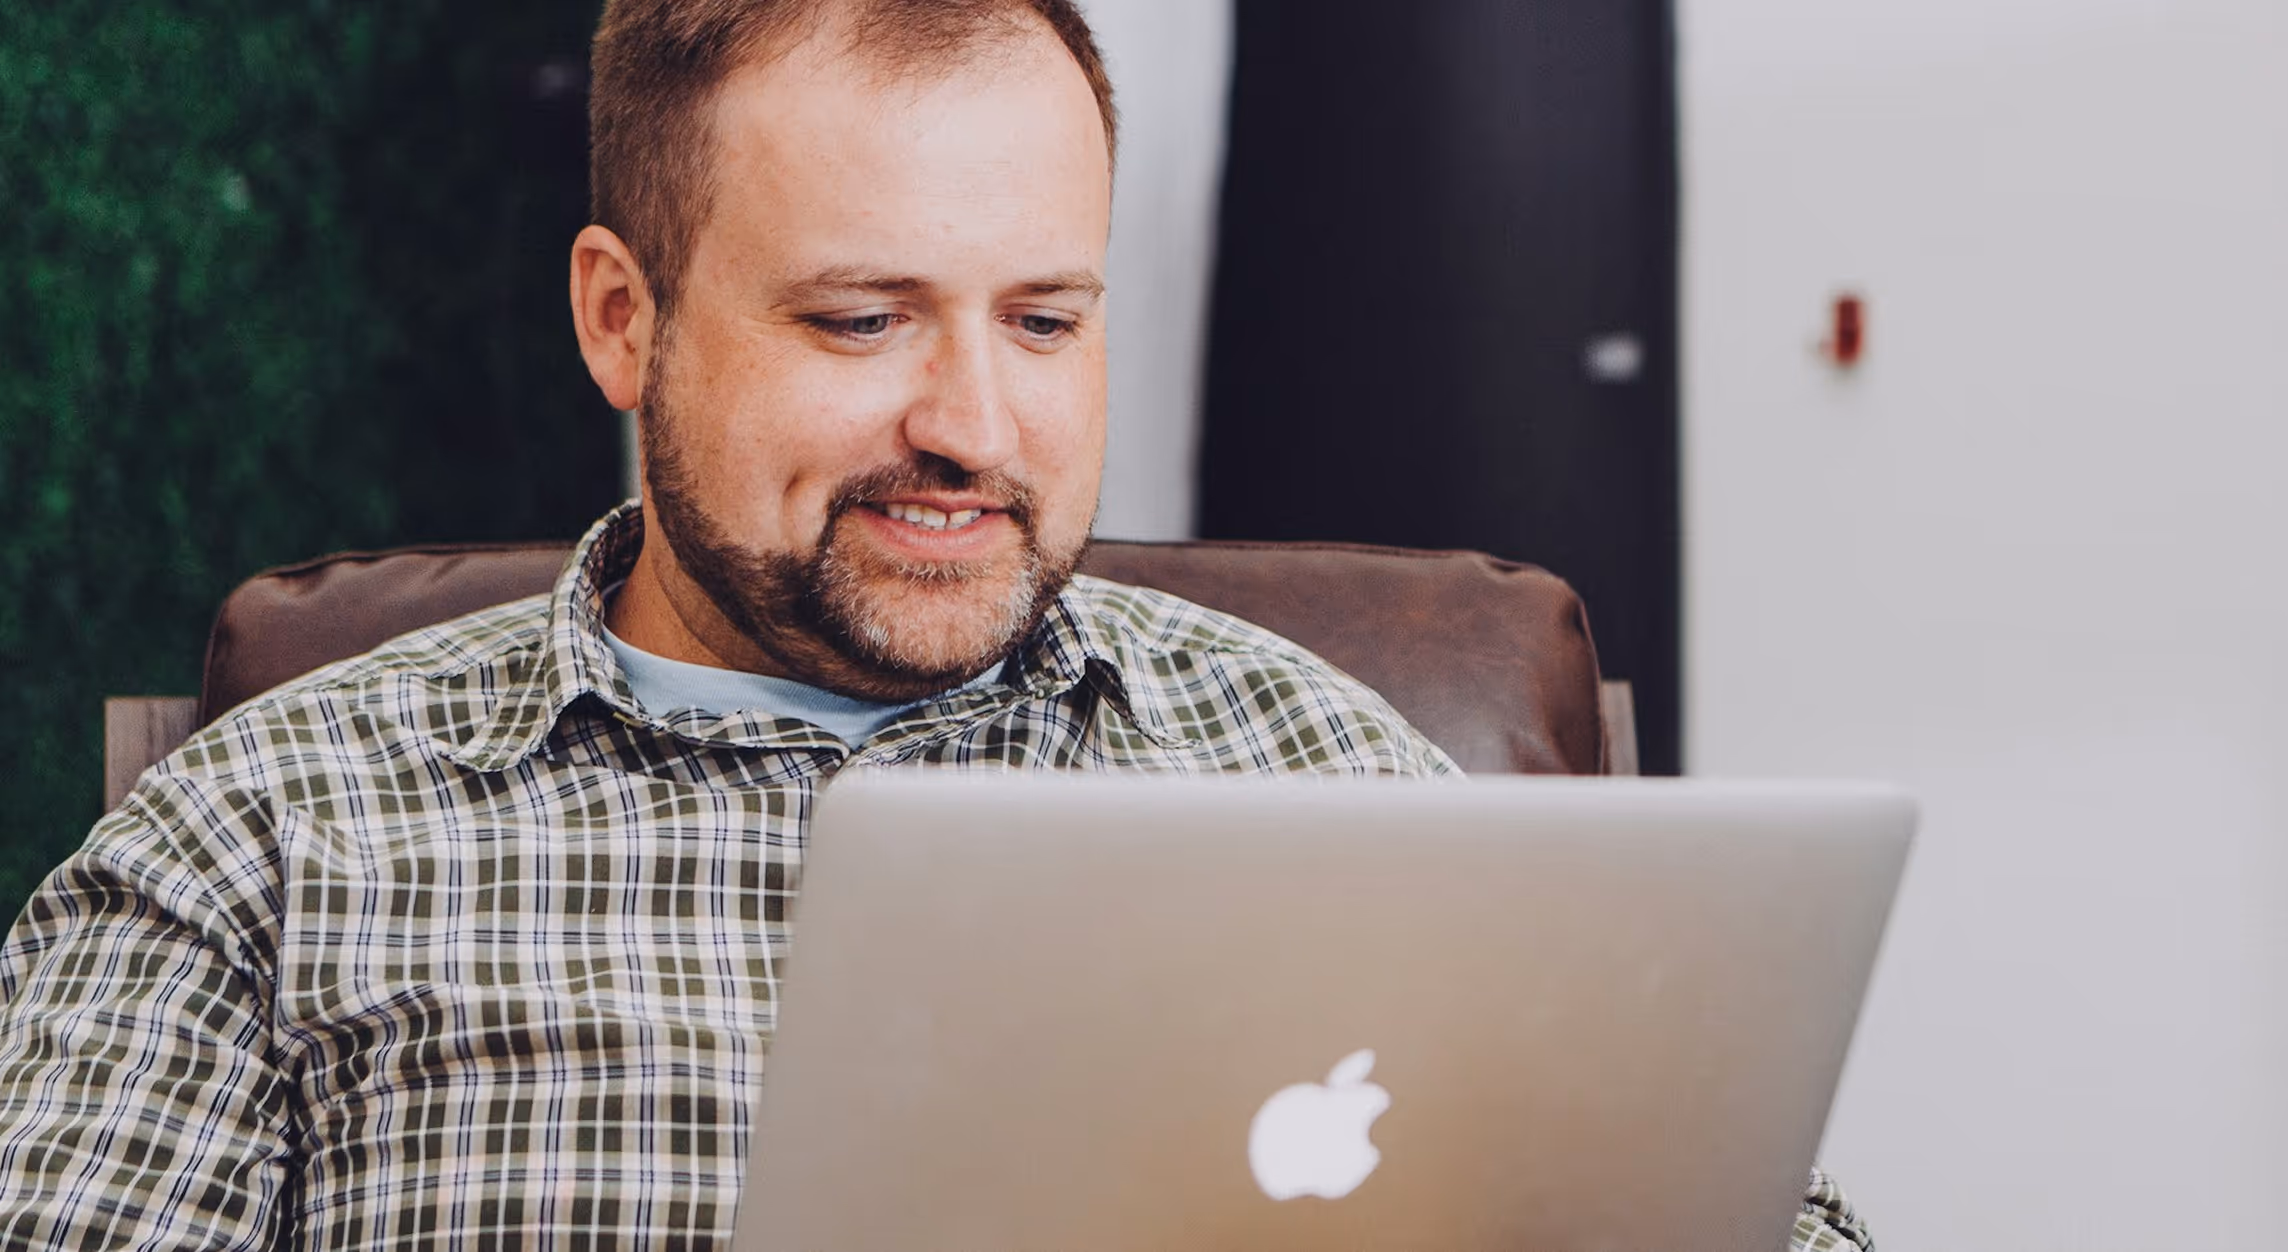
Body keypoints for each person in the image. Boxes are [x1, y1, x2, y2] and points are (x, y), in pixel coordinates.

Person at [0, 2, 1873, 1248]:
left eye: (1045, 321)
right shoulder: (261, 841)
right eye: (862, 320)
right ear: (619, 319)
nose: (973, 429)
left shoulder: (1319, 764)